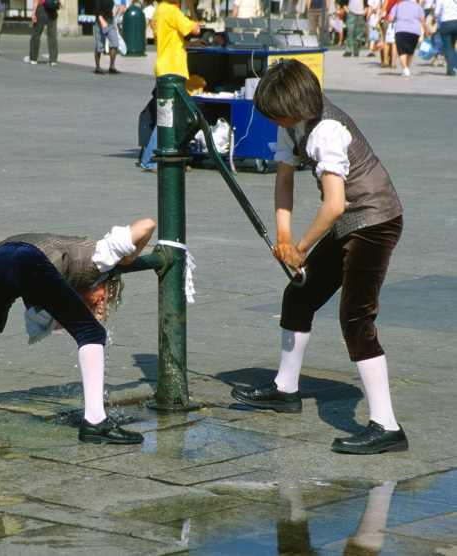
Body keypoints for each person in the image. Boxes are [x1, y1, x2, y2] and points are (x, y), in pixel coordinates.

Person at [231, 60, 408, 455]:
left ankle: (387, 425)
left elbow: (334, 205)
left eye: (274, 113)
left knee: (356, 317)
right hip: (348, 222)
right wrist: (282, 236)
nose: (270, 119)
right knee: (299, 294)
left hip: (375, 222)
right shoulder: (293, 122)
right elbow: (284, 179)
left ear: (294, 106)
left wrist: (301, 248)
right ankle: (285, 389)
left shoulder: (327, 130)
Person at [0, 218, 156, 445]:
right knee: (93, 333)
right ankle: (96, 422)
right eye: (103, 300)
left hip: (1, 257)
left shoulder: (58, 283)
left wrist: (82, 313)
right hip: (30, 259)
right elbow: (147, 224)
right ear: (104, 283)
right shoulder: (102, 258)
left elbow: (42, 323)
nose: (100, 305)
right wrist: (129, 257)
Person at [139, 0, 204, 171]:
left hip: (164, 66)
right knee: (168, 116)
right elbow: (196, 29)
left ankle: (174, 158)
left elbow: (170, 39)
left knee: (173, 116)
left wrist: (190, 44)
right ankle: (150, 160)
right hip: (172, 69)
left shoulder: (159, 11)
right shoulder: (172, 11)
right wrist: (191, 6)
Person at [388, 0, 426, 76]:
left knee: (401, 50)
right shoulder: (418, 6)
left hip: (401, 29)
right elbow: (422, 20)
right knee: (410, 51)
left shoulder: (398, 5)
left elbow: (391, 18)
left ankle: (405, 68)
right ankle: (406, 68)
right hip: (414, 30)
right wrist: (426, 31)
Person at [23, 0, 59, 66]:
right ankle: (53, 60)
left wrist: (33, 14)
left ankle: (33, 58)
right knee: (52, 35)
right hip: (53, 9)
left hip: (42, 8)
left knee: (36, 33)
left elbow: (36, 1)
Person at [94, 0, 120, 73]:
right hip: (101, 22)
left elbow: (117, 6)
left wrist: (114, 17)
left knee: (115, 43)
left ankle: (112, 66)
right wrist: (102, 21)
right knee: (99, 45)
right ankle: (97, 66)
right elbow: (97, 10)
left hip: (110, 22)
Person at [434, 0, 457, 76]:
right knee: (452, 45)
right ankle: (453, 65)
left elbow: (436, 13)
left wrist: (434, 18)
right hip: (456, 21)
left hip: (445, 22)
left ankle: (451, 69)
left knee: (447, 46)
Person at [379, 0, 400, 67]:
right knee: (394, 43)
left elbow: (383, 8)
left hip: (388, 19)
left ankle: (385, 60)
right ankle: (393, 63)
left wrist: (378, 20)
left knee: (385, 41)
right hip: (398, 21)